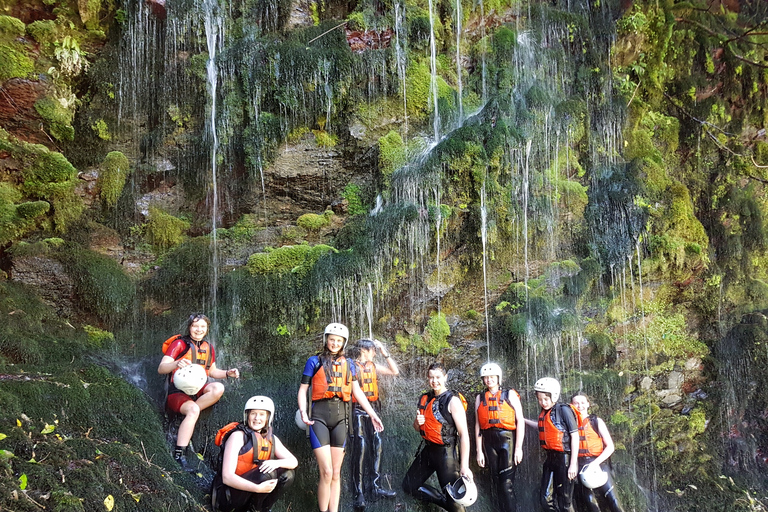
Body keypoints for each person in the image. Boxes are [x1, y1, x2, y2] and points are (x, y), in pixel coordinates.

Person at [297, 323, 384, 512]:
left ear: (343, 343)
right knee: (326, 472)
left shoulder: (350, 364)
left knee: (336, 473)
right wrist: (303, 411)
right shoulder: (314, 361)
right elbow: (303, 390)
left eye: (338, 341)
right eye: (332, 339)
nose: (334, 343)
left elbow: (357, 392)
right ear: (326, 339)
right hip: (318, 418)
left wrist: (372, 414)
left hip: (341, 420)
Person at [157, 313, 240, 468]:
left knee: (218, 387)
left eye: (202, 326)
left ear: (207, 329)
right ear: (189, 327)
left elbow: (213, 372)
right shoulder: (179, 344)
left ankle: (190, 412)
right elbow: (161, 368)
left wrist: (228, 373)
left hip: (197, 391)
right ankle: (179, 453)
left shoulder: (209, 347)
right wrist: (176, 364)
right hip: (177, 392)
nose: (199, 329)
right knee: (194, 410)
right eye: (195, 326)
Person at [402, 362, 473, 512]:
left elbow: (464, 435)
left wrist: (464, 466)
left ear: (445, 377)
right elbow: (416, 428)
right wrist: (417, 422)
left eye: (438, 377)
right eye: (431, 377)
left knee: (455, 502)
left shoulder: (453, 400)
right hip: (429, 451)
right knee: (409, 485)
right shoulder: (425, 398)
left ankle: (449, 502)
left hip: (446, 454)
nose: (434, 381)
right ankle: (443, 501)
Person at [211, 396, 298, 512]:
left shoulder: (271, 439)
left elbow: (293, 462)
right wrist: (257, 488)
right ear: (247, 415)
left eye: (262, 414)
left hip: (253, 496)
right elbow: (227, 477)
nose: (257, 418)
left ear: (268, 417)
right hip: (228, 498)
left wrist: (276, 463)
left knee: (288, 474)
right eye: (253, 413)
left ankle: (262, 509)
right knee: (268, 473)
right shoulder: (238, 436)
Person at [349, 338, 399, 508]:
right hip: (356, 409)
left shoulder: (374, 366)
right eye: (374, 350)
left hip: (374, 408)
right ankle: (359, 492)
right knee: (361, 447)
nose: (375, 353)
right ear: (364, 350)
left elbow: (395, 371)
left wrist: (385, 352)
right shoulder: (351, 366)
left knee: (377, 445)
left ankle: (375, 487)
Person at [474, 362, 525, 512]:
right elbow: (478, 425)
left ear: (498, 378)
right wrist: (479, 451)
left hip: (507, 440)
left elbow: (520, 420)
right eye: (486, 377)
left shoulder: (509, 394)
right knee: (497, 481)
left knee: (506, 483)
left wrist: (518, 448)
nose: (489, 380)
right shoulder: (480, 397)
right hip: (489, 443)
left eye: (492, 377)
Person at [525, 377, 579, 512]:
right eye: (540, 399)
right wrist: (523, 420)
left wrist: (573, 464)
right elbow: (542, 427)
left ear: (554, 396)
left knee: (565, 500)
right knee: (545, 499)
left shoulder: (564, 410)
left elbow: (575, 435)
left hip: (564, 459)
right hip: (550, 459)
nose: (542, 402)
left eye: (545, 399)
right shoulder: (545, 412)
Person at [570, 393, 625, 512]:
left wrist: (595, 463)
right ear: (571, 405)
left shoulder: (596, 421)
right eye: (576, 403)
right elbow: (544, 428)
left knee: (614, 500)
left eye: (583, 402)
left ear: (588, 404)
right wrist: (523, 420)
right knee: (590, 503)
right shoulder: (569, 424)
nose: (580, 406)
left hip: (599, 463)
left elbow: (610, 446)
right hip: (580, 465)